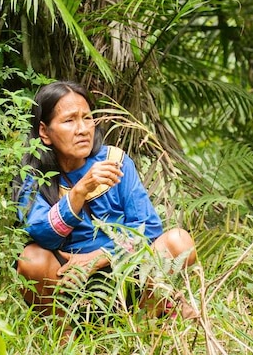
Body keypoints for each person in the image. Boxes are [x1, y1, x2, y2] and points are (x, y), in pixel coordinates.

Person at [15, 81, 198, 319]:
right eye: (69, 120)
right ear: (44, 132)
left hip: (128, 274)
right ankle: (65, 331)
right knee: (31, 259)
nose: (82, 129)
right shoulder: (32, 176)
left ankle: (146, 318)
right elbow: (42, 233)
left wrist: (98, 258)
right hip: (69, 281)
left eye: (87, 118)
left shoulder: (114, 160)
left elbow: (149, 227)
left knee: (179, 241)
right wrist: (80, 191)